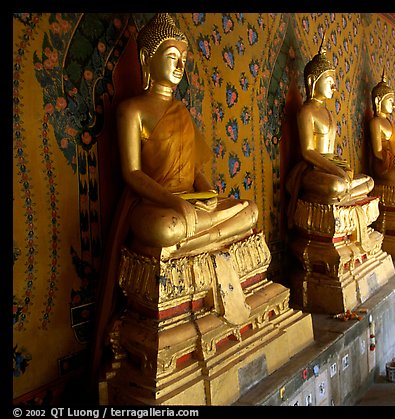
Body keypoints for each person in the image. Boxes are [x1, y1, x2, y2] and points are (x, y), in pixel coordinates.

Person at [92, 12, 258, 385]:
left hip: (191, 206)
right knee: (169, 228)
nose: (181, 64)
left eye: (184, 58)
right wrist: (175, 203)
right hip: (154, 206)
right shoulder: (132, 110)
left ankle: (203, 228)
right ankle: (204, 230)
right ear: (147, 60)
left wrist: (207, 194)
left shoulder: (182, 110)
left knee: (249, 210)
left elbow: (194, 167)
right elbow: (132, 174)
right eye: (172, 56)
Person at [286, 36, 373, 223]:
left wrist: (339, 169)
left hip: (332, 166)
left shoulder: (327, 112)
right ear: (312, 81)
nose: (334, 87)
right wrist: (337, 171)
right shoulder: (306, 111)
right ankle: (339, 197)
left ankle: (343, 196)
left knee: (368, 181)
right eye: (329, 81)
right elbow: (308, 151)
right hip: (313, 169)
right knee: (336, 186)